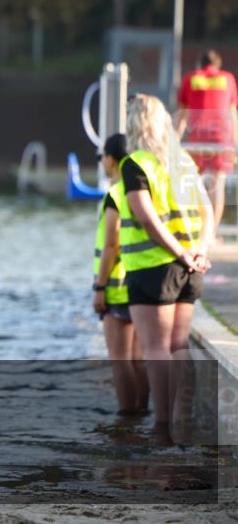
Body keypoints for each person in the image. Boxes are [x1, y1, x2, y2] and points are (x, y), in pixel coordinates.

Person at [119, 95, 214, 437]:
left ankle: (161, 426)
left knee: (156, 348)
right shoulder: (184, 163)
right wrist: (198, 253)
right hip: (189, 271)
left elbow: (145, 217)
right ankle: (184, 419)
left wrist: (179, 252)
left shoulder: (135, 164)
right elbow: (207, 213)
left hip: (154, 269)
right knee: (179, 346)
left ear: (134, 124)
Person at [92, 133, 148, 415]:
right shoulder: (140, 187)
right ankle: (143, 413)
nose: (101, 161)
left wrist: (99, 287)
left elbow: (111, 244)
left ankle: (127, 421)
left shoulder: (115, 193)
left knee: (119, 358)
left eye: (101, 156)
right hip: (138, 280)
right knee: (138, 358)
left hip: (116, 287)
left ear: (111, 159)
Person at [176, 50, 238, 236]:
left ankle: (197, 230)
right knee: (217, 186)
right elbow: (232, 113)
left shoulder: (191, 78)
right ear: (218, 65)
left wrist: (174, 140)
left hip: (198, 138)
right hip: (222, 138)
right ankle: (211, 234)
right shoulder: (228, 78)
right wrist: (235, 143)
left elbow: (183, 116)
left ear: (199, 64)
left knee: (195, 182)